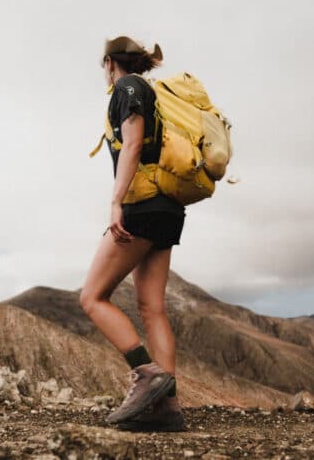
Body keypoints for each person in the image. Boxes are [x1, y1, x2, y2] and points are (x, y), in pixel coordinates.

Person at [78, 36, 186, 432]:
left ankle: (146, 372)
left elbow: (133, 141)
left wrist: (116, 202)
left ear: (109, 62)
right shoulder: (154, 92)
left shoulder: (127, 88)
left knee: (92, 296)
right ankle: (167, 410)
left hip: (142, 205)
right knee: (152, 308)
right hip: (169, 208)